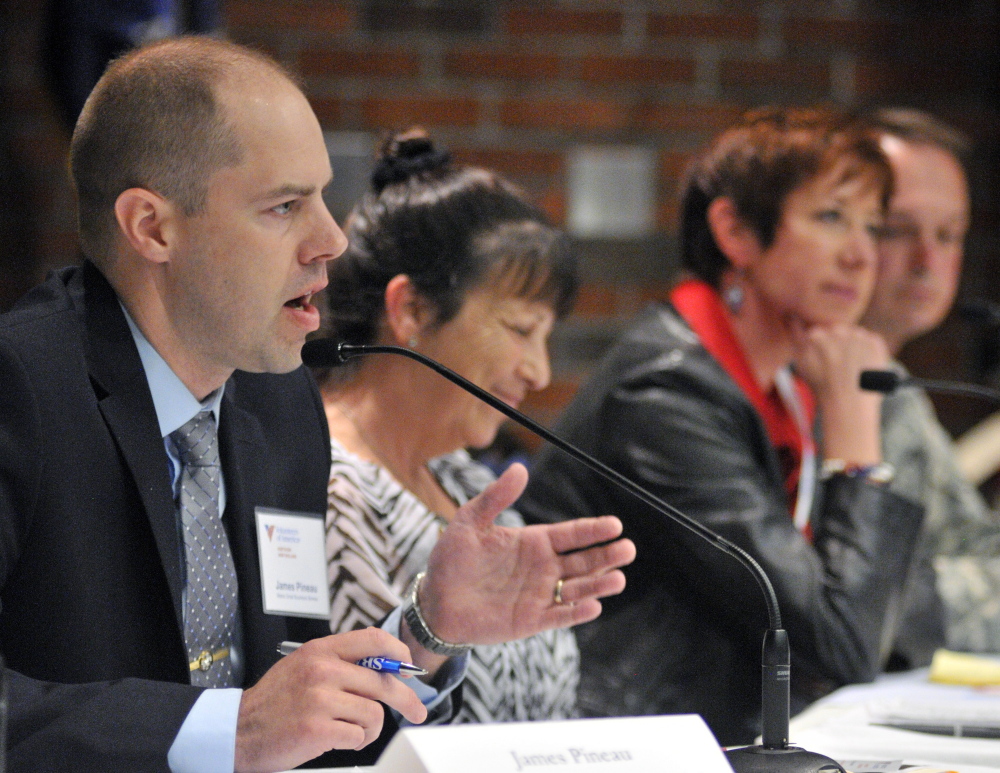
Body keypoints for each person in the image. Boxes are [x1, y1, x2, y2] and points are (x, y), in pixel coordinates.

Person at [0, 36, 635, 773]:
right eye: (283, 206)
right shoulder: (23, 386)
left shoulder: (278, 404)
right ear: (153, 227)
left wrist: (428, 632)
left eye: (325, 197)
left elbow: (298, 726)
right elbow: (250, 726)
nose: (330, 239)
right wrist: (226, 730)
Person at [519, 107, 944, 745]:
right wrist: (856, 443)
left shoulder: (785, 383)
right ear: (735, 231)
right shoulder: (665, 394)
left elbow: (907, 621)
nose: (863, 257)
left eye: (872, 226)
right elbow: (835, 647)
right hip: (611, 747)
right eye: (830, 218)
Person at [319, 129, 581, 723]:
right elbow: (341, 733)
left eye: (546, 337)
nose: (538, 371)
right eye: (519, 329)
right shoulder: (320, 486)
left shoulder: (466, 479)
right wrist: (428, 630)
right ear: (411, 310)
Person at [859, 108, 1000, 654]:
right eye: (897, 230)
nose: (929, 261)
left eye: (949, 234)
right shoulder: (796, 381)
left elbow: (971, 544)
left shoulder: (892, 391)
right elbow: (868, 603)